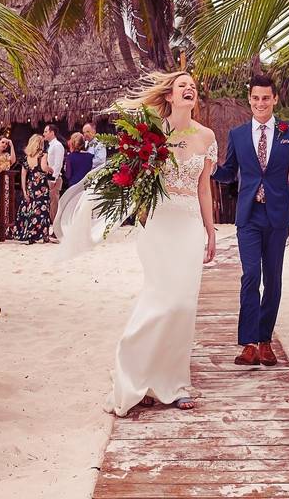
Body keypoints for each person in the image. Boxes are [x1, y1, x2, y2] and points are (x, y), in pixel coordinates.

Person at [59, 71, 217, 415]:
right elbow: (133, 177)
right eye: (182, 86)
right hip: (158, 224)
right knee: (161, 300)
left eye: (192, 86)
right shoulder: (153, 132)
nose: (189, 89)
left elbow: (204, 187)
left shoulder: (207, 137)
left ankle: (174, 384)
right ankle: (134, 375)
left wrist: (211, 229)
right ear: (170, 96)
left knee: (184, 305)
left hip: (189, 224)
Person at [212, 75, 289, 367]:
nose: (260, 103)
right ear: (250, 99)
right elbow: (229, 171)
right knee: (250, 276)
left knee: (272, 279)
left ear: (275, 100)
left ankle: (266, 341)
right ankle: (249, 344)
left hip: (277, 215)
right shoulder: (238, 134)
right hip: (248, 215)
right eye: (256, 98)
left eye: (266, 98)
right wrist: (208, 169)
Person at [10, 134, 53, 244]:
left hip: (30, 186)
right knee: (42, 210)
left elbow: (23, 175)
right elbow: (43, 167)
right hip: (41, 186)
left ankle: (29, 233)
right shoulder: (43, 155)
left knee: (30, 209)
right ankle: (43, 235)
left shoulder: (26, 158)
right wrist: (50, 169)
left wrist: (24, 191)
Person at [44, 124, 65, 223]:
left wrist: (53, 178)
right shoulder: (51, 145)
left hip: (54, 178)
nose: (44, 134)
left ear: (52, 133)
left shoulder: (57, 145)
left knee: (54, 203)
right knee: (51, 203)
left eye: (46, 131)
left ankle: (56, 227)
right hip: (49, 177)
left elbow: (58, 164)